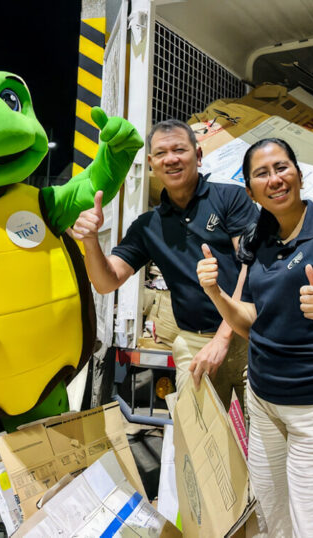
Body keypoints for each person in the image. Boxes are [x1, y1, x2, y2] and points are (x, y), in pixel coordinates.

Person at [196, 138, 313, 537]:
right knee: (275, 528)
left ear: (298, 172)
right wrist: (217, 294)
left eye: (282, 167)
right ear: (249, 190)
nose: (274, 179)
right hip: (265, 404)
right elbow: (251, 321)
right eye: (262, 173)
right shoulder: (257, 238)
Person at [70, 119, 258, 409]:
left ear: (198, 155)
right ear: (150, 162)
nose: (170, 159)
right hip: (196, 342)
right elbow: (106, 282)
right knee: (203, 446)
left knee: (262, 442)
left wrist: (223, 339)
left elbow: (251, 266)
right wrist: (91, 241)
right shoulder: (148, 226)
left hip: (250, 336)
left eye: (179, 150)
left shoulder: (229, 198)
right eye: (161, 153)